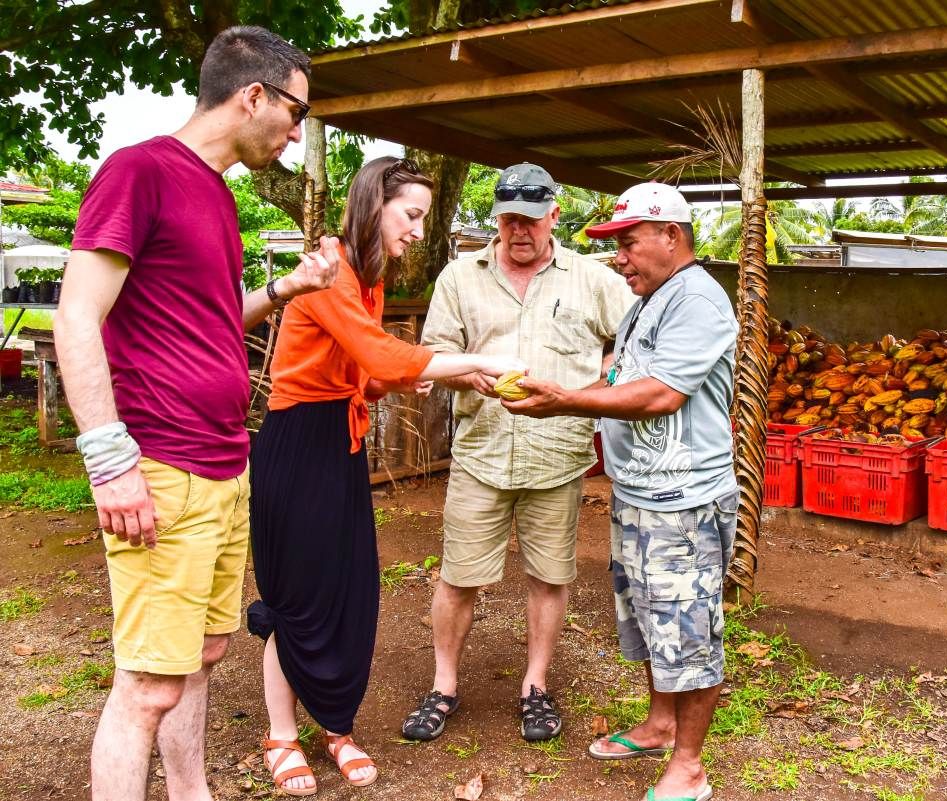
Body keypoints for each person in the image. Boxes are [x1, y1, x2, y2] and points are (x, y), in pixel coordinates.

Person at [53, 26, 339, 801]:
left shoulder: (213, 192)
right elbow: (76, 316)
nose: (295, 130)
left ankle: (191, 792)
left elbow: (210, 323)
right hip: (158, 465)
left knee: (206, 653)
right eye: (297, 112)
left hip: (221, 463)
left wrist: (285, 291)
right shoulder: (138, 171)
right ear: (255, 95)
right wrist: (110, 463)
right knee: (147, 684)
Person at [247, 156, 526, 796]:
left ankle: (335, 726)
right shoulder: (329, 270)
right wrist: (474, 358)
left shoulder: (368, 280)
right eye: (411, 215)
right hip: (299, 443)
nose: (419, 231)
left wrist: (445, 373)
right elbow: (376, 354)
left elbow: (368, 375)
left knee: (348, 590)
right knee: (299, 594)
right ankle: (281, 736)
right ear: (375, 204)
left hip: (342, 444)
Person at [501, 182, 737, 801]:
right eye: (615, 246)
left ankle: (689, 764)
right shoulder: (646, 301)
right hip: (639, 493)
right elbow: (619, 376)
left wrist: (565, 402)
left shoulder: (699, 302)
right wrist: (564, 386)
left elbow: (662, 393)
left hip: (683, 500)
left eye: (629, 243)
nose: (620, 258)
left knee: (688, 631)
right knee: (654, 623)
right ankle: (661, 725)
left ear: (671, 236)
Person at [408, 163, 635, 743]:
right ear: (498, 220)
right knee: (459, 576)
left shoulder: (591, 278)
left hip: (557, 456)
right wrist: (470, 377)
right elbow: (435, 353)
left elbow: (634, 339)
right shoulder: (461, 277)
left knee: (548, 575)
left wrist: (607, 375)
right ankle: (443, 686)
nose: (520, 232)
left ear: (554, 215)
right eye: (509, 220)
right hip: (481, 452)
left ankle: (535, 685)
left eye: (531, 220)